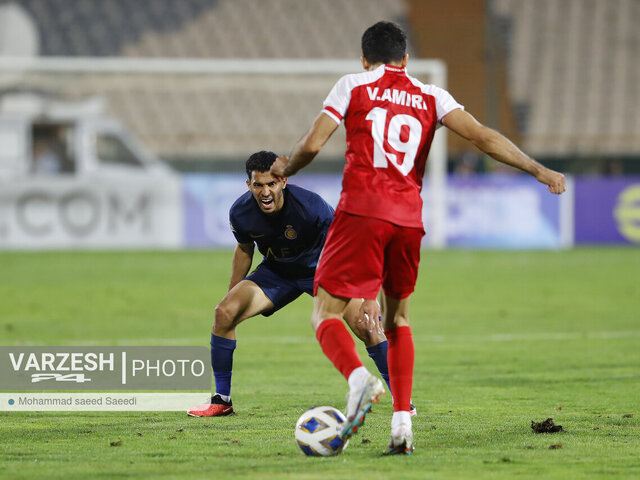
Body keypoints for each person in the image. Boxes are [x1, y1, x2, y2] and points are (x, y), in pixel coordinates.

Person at [270, 21, 566, 454]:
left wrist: (287, 167)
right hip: (408, 220)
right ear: (406, 60)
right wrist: (539, 170)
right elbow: (483, 137)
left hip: (361, 211)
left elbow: (313, 145)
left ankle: (359, 380)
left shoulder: (353, 85)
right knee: (397, 320)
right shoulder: (431, 95)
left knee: (325, 313)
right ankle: (402, 425)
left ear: (364, 59)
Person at [187, 150, 398, 417]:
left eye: (271, 184)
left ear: (283, 181)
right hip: (277, 273)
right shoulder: (240, 212)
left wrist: (369, 294)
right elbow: (244, 249)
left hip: (325, 270)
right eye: (259, 185)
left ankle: (402, 402)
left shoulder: (312, 207)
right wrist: (234, 295)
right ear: (248, 184)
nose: (265, 192)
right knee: (224, 312)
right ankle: (221, 400)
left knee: (367, 325)